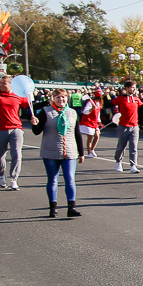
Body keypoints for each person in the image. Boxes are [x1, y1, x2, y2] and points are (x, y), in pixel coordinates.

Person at [0, 72, 37, 190]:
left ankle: (14, 179)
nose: (1, 86)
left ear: (11, 85)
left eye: (4, 84)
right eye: (1, 83)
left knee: (17, 154)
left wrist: (35, 114)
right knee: (0, 156)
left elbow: (30, 106)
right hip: (0, 128)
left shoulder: (18, 95)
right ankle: (1, 175)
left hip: (16, 128)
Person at [31, 88, 84, 218]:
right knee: (53, 179)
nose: (61, 100)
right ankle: (53, 207)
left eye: (64, 97)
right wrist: (35, 124)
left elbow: (77, 133)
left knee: (70, 179)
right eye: (58, 97)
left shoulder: (72, 113)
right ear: (53, 99)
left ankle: (71, 207)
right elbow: (37, 131)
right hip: (51, 151)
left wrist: (81, 152)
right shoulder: (46, 112)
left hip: (70, 151)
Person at [112, 81, 143, 174]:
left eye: (135, 87)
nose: (134, 89)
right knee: (121, 146)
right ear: (126, 88)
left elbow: (141, 104)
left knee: (134, 146)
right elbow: (111, 103)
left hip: (134, 125)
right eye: (132, 87)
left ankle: (133, 165)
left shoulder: (136, 99)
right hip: (123, 125)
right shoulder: (120, 98)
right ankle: (118, 161)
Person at [79, 89, 103, 157]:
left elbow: (98, 114)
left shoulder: (99, 103)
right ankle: (89, 152)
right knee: (90, 137)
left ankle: (92, 149)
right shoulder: (90, 102)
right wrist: (91, 109)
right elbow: (84, 112)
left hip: (95, 121)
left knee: (97, 136)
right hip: (88, 121)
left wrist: (100, 122)